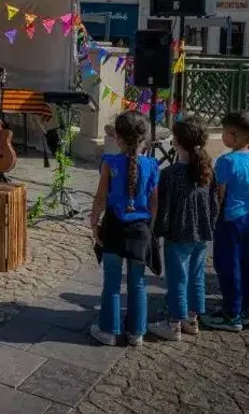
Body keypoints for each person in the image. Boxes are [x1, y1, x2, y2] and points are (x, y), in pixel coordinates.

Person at [88, 110, 159, 347]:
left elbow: (100, 198)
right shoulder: (152, 165)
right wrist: (151, 227)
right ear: (144, 139)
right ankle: (136, 332)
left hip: (114, 226)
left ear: (118, 138)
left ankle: (108, 330)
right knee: (138, 283)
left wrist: (94, 222)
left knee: (112, 281)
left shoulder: (109, 163)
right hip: (140, 228)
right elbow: (154, 203)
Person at [149, 116, 217, 342]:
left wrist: (157, 231)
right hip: (201, 232)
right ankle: (191, 319)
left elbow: (163, 209)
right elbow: (214, 203)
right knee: (196, 277)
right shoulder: (208, 169)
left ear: (177, 141)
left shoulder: (170, 174)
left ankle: (173, 324)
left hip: (178, 233)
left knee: (178, 278)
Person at [204, 111, 249, 332]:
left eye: (225, 132)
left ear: (236, 135)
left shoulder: (226, 161)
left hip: (229, 218)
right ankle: (243, 308)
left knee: (228, 265)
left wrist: (212, 217)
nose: (222, 136)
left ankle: (231, 313)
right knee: (246, 263)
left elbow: (220, 194)